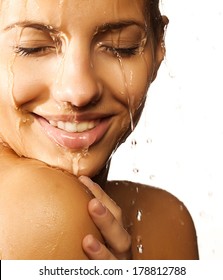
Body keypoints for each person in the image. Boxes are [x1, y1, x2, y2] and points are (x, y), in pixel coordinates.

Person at [0, 0, 199, 260]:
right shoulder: (44, 214)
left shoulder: (165, 221)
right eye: (32, 48)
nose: (80, 91)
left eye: (120, 47)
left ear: (158, 46)